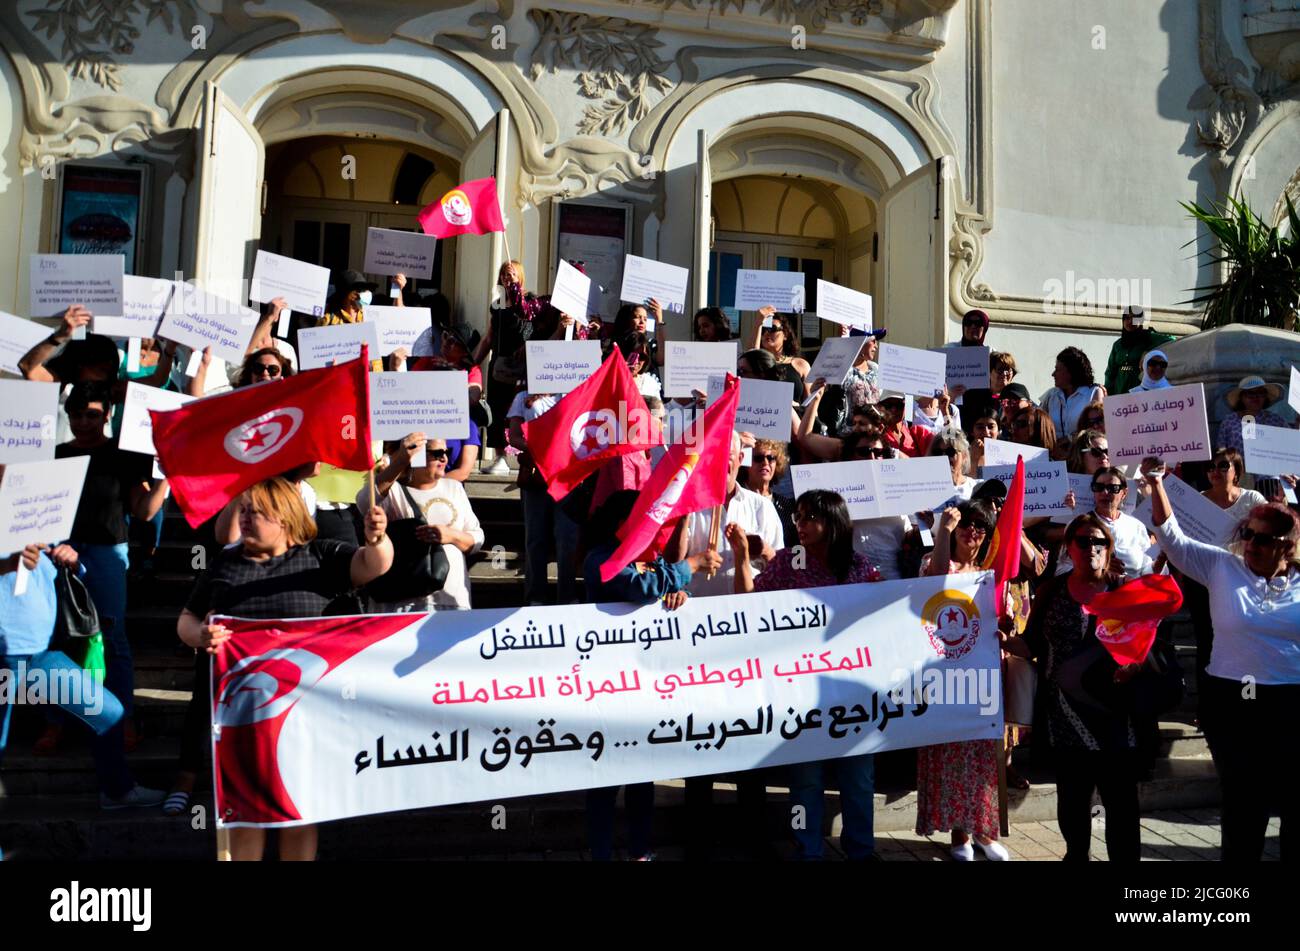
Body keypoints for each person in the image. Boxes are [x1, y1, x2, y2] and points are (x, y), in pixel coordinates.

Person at [177, 477, 393, 860]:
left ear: (285, 518)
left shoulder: (321, 556)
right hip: (240, 718)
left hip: (304, 719)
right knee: (244, 816)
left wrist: (377, 539)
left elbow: (372, 565)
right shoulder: (225, 563)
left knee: (298, 811)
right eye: (243, 510)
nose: (244, 519)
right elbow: (187, 619)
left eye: (255, 512)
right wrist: (200, 636)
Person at [1144, 465, 1299, 861]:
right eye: (1247, 534)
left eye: (1263, 538)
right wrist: (1157, 483)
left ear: (1288, 544)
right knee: (1245, 804)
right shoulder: (1221, 567)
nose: (1251, 543)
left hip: (1291, 704)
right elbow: (1173, 539)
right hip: (1234, 701)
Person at [727, 490, 884, 861]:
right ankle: (806, 850)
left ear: (833, 522)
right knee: (805, 782)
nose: (800, 524)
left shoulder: (861, 567)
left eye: (810, 517)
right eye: (797, 517)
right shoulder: (788, 563)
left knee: (858, 779)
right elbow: (750, 605)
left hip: (851, 694)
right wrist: (741, 557)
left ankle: (861, 849)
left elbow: (884, 617)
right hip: (801, 694)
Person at [582, 490, 719, 861]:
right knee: (605, 783)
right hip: (607, 688)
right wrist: (689, 565)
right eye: (641, 517)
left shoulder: (650, 559)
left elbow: (663, 590)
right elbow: (639, 588)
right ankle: (601, 854)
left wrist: (680, 594)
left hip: (644, 686)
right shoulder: (600, 558)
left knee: (643, 777)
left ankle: (640, 851)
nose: (649, 524)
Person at [35, 383, 169, 757]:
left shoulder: (122, 455)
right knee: (58, 639)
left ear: (108, 414)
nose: (82, 422)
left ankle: (121, 718)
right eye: (76, 415)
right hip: (59, 554)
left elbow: (143, 512)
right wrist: (52, 547)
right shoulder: (55, 454)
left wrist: (165, 477)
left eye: (91, 414)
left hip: (108, 554)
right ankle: (55, 721)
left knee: (113, 637)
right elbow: (36, 507)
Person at [0, 538, 163, 816]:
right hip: (4, 658)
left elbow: (57, 569)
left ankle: (117, 790)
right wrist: (7, 562)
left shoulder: (34, 515)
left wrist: (71, 559)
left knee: (109, 712)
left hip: (39, 654)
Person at [1024, 514, 1144, 862]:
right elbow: (1031, 644)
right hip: (1063, 713)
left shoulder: (1123, 591)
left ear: (1109, 549)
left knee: (1120, 802)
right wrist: (999, 639)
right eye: (1082, 541)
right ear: (1069, 547)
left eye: (1099, 542)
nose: (1091, 547)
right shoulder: (1051, 591)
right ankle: (1077, 856)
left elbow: (1146, 647)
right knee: (1073, 801)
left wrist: (1133, 666)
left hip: (1115, 714)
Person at [916, 501, 1011, 861]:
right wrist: (943, 529)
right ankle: (960, 837)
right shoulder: (936, 561)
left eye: (981, 526)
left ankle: (986, 832)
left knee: (984, 756)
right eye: (967, 524)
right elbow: (934, 584)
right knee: (954, 757)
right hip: (944, 676)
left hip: (983, 676)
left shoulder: (990, 572)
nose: (973, 530)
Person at [365, 434, 483, 611]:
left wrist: (451, 536)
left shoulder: (454, 487)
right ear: (415, 455)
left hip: (450, 598)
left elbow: (477, 538)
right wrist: (399, 462)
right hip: (402, 601)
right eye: (435, 453)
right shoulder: (392, 489)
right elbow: (364, 503)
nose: (444, 458)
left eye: (446, 451)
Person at [665, 432, 784, 598]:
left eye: (727, 455)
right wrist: (684, 513)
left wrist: (764, 550)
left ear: (740, 458)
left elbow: (782, 568)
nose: (720, 461)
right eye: (714, 454)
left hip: (751, 612)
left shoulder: (762, 506)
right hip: (702, 614)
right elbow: (672, 562)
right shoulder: (690, 505)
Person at [476, 260, 543, 475]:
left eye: (511, 274)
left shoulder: (530, 302)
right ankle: (500, 457)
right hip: (500, 366)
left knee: (522, 410)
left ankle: (531, 454)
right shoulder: (497, 306)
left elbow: (537, 331)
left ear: (520, 276)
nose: (507, 277)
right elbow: (488, 338)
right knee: (496, 409)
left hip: (523, 367)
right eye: (504, 274)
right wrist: (472, 362)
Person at [1057, 467, 1152, 579]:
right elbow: (1062, 570)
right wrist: (1099, 568)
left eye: (1113, 488)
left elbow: (1149, 567)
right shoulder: (1079, 525)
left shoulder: (1136, 526)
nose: (1105, 492)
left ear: (1124, 493)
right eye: (1099, 487)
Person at [1103, 305, 1175, 397]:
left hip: (1139, 387)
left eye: (1134, 318)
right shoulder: (1118, 345)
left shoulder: (1148, 337)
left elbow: (1171, 339)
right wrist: (1108, 393)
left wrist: (1148, 350)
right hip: (1119, 388)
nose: (1130, 321)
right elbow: (1110, 372)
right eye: (1127, 318)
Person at [1041, 347, 1105, 438]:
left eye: (1057, 370)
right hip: (1054, 451)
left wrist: (1069, 440)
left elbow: (1098, 428)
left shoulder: (1093, 393)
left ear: (1071, 372)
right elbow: (1038, 420)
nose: (1053, 374)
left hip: (1082, 450)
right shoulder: (1051, 395)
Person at [743, 438, 797, 547]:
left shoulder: (787, 506)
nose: (765, 462)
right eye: (758, 458)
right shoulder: (735, 500)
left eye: (771, 458)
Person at [1217, 375, 1288, 454]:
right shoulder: (1229, 421)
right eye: (1250, 393)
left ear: (1265, 396)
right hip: (1238, 465)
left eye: (1260, 393)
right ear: (1241, 397)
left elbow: (1291, 444)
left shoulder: (1277, 421)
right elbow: (1221, 450)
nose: (1255, 397)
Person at [880, 392, 933, 458]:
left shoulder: (919, 433)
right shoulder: (876, 436)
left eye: (899, 404)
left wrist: (945, 413)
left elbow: (946, 447)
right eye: (888, 405)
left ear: (907, 405)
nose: (893, 410)